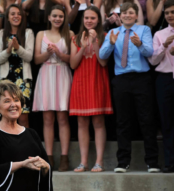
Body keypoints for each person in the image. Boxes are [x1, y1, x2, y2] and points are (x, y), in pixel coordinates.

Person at [100, 2, 160, 173]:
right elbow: (102, 55)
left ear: (135, 15)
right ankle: (123, 162)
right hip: (121, 80)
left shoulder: (144, 30)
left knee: (147, 119)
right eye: (124, 13)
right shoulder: (113, 32)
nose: (127, 15)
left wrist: (140, 44)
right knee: (123, 121)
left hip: (142, 79)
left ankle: (152, 162)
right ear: (120, 15)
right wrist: (111, 44)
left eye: (130, 13)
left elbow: (150, 53)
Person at [0, 80, 52, 191]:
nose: (13, 105)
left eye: (16, 100)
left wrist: (46, 167)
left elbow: (45, 168)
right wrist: (21, 164)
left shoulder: (32, 134)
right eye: (7, 101)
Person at [70, 6, 112, 172]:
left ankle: (99, 161)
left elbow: (103, 62)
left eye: (92, 18)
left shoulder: (105, 36)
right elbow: (73, 64)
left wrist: (94, 43)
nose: (89, 21)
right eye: (86, 18)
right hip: (80, 82)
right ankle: (83, 162)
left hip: (97, 80)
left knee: (98, 121)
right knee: (81, 122)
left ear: (98, 20)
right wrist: (83, 47)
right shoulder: (75, 38)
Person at [33, 4, 73, 171]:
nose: (57, 19)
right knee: (47, 119)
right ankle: (48, 157)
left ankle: (64, 157)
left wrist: (59, 53)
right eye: (54, 16)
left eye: (61, 16)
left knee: (63, 118)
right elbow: (36, 59)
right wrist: (49, 53)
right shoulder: (41, 34)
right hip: (46, 74)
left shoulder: (69, 34)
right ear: (48, 17)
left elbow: (72, 59)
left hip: (62, 73)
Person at [0, 4, 34, 128]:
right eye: (13, 14)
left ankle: (25, 147)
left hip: (23, 80)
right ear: (7, 17)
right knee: (6, 118)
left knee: (23, 119)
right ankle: (7, 147)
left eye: (19, 14)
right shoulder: (1, 33)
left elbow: (29, 57)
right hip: (6, 81)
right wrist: (8, 50)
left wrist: (17, 48)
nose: (16, 16)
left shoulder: (28, 33)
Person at [148, 0, 174, 173]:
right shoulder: (160, 34)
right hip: (164, 80)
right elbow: (152, 60)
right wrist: (164, 46)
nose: (170, 15)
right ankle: (170, 162)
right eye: (167, 13)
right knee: (167, 123)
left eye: (173, 12)